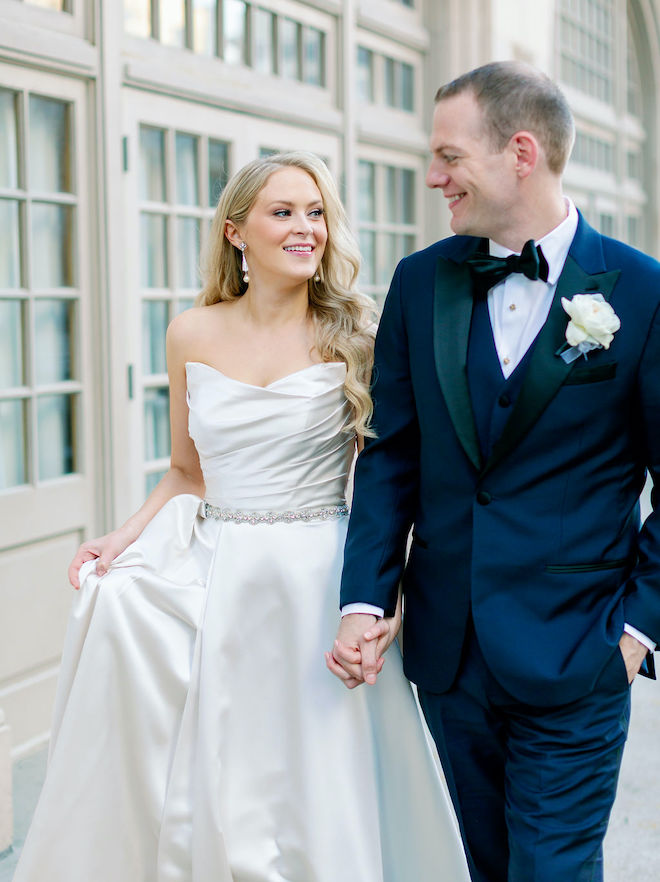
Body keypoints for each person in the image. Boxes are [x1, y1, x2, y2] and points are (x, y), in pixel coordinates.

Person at [14, 152, 470, 882]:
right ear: (236, 232)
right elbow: (186, 473)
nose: (305, 229)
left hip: (320, 580)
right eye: (283, 212)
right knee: (226, 769)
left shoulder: (356, 333)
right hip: (221, 573)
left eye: (315, 212)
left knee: (321, 778)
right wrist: (121, 537)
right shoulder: (192, 333)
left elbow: (391, 481)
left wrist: (390, 599)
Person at [330, 62, 660, 882]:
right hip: (447, 660)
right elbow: (391, 454)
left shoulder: (644, 292)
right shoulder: (419, 282)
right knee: (480, 867)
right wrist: (365, 597)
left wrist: (635, 631)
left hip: (579, 653)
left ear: (521, 152)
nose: (434, 176)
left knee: (552, 870)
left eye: (448, 155)